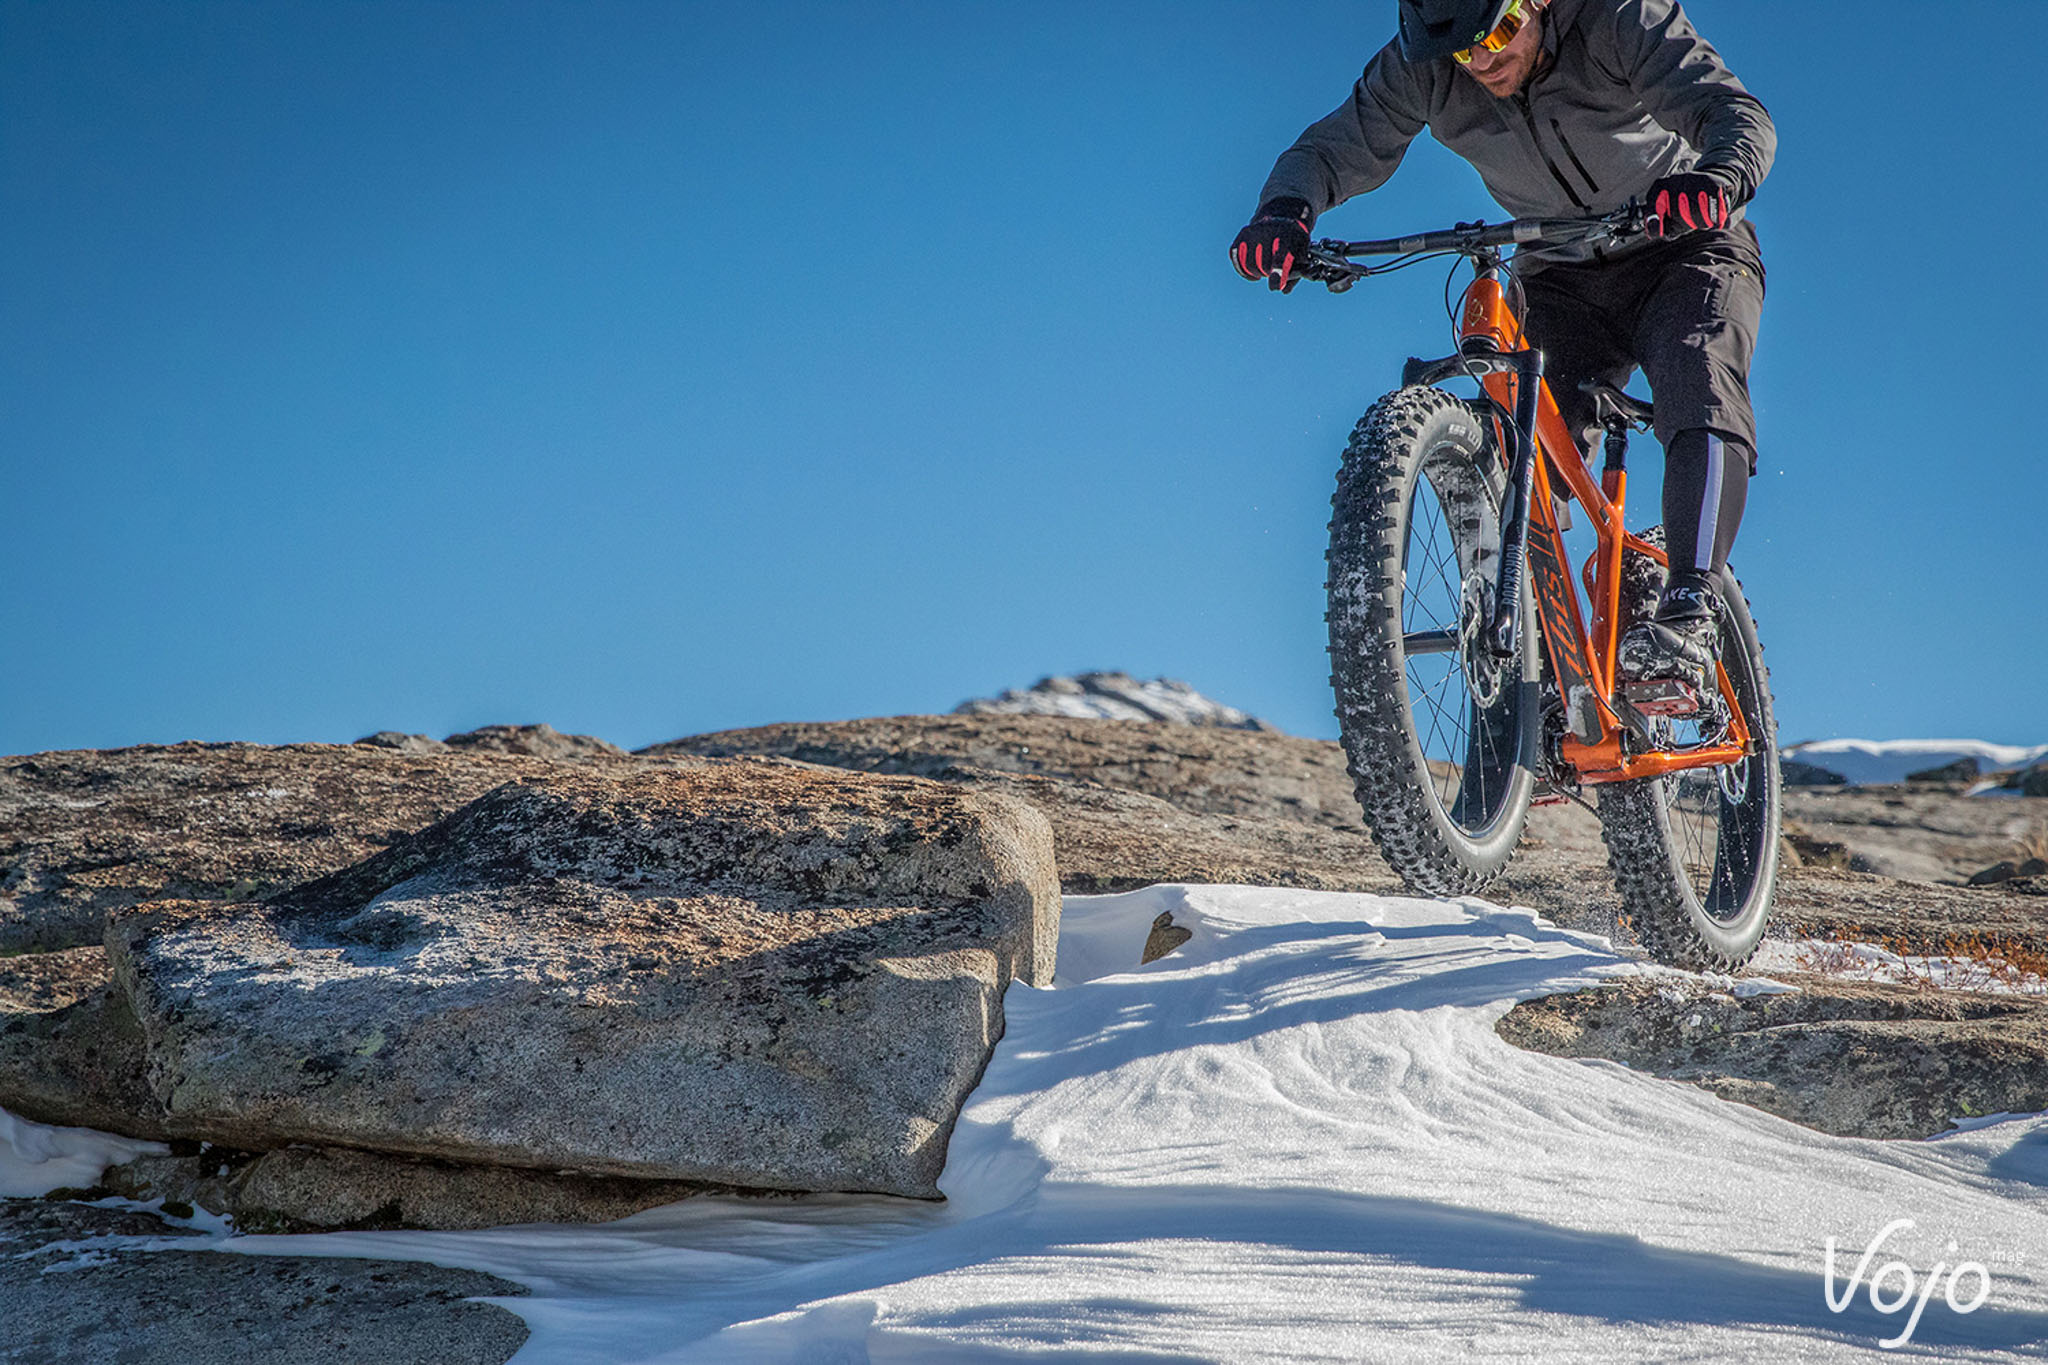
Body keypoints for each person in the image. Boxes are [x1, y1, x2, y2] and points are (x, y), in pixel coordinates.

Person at [1231, 0, 1772, 704]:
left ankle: (1689, 606)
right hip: (1559, 273)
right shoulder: (1426, 63)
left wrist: (1717, 176)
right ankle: (1528, 670)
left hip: (1686, 244)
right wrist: (1285, 210)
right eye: (1464, 51)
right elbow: (1334, 145)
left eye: (1500, 34)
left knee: (1697, 375)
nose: (1482, 61)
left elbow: (1732, 112)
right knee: (1518, 446)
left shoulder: (1619, 17)